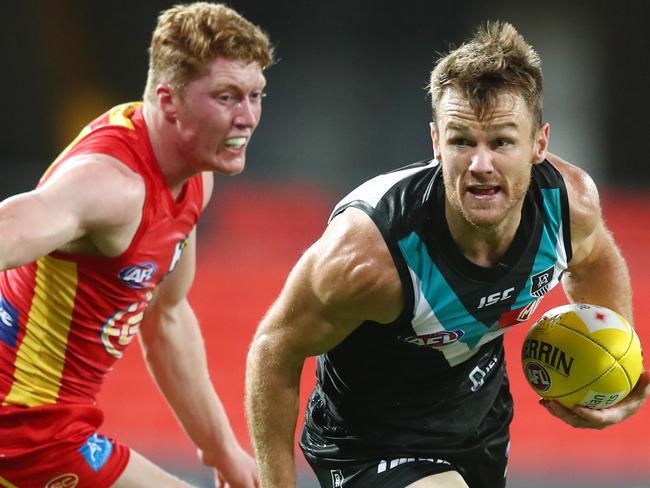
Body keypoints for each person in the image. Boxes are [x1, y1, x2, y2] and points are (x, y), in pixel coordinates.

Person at [245, 21, 650, 488]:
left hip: (478, 423)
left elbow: (595, 259)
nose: (481, 165)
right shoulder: (370, 253)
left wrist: (613, 371)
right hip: (367, 440)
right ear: (437, 143)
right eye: (462, 141)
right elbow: (274, 350)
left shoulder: (568, 206)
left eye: (501, 141)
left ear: (539, 144)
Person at [0, 3, 273, 487]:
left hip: (52, 428)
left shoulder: (192, 177)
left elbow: (166, 318)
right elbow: (16, 226)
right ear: (168, 102)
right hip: (26, 432)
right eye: (227, 97)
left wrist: (221, 450)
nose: (247, 117)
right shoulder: (112, 185)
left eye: (256, 96)